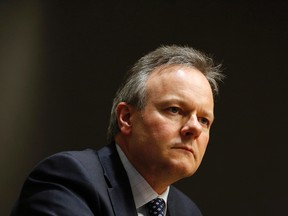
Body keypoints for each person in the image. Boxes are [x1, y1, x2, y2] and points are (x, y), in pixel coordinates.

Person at [11, 45, 223, 216]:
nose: (194, 128)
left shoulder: (188, 211)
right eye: (175, 110)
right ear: (127, 118)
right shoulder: (68, 179)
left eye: (204, 120)